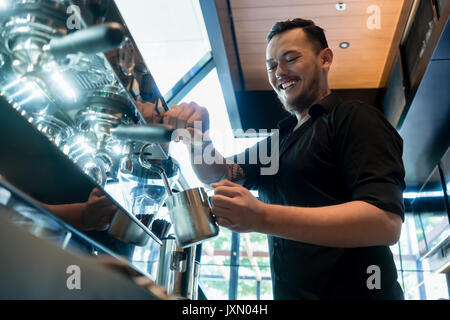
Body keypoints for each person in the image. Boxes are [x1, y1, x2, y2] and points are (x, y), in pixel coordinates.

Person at [136, 18, 406, 300]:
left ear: (325, 58)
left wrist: (262, 216)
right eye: (272, 66)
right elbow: (222, 175)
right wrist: (198, 139)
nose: (280, 72)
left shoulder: (355, 118)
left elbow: (384, 223)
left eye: (290, 59)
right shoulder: (281, 140)